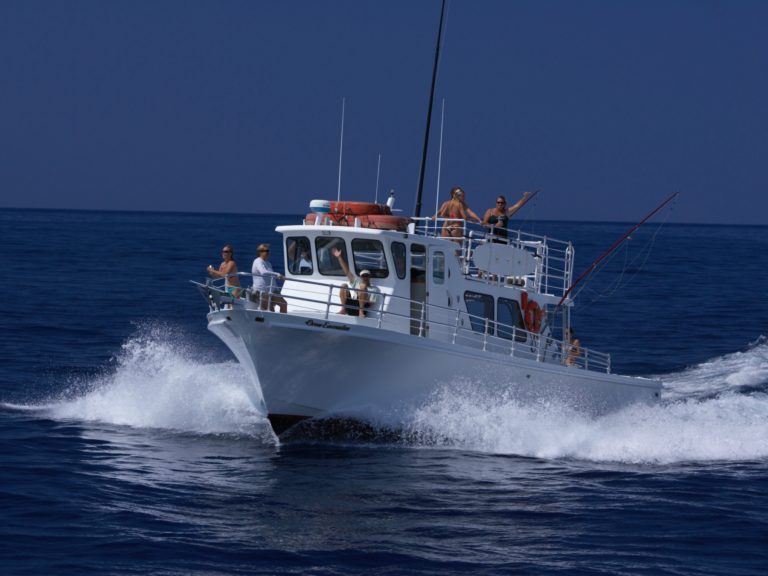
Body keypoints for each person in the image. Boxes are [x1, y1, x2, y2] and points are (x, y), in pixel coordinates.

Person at [331, 247, 377, 317]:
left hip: (363, 308)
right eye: (363, 276)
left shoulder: (374, 289)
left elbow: (371, 303)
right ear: (361, 277)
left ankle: (360, 312)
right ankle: (343, 309)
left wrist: (362, 295)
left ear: (369, 277)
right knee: (344, 285)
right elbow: (347, 272)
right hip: (352, 305)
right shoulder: (357, 283)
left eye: (366, 275)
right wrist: (339, 257)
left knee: (362, 287)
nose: (365, 277)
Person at [251, 243, 287, 313]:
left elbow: (271, 277)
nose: (268, 252)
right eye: (265, 251)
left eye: (268, 251)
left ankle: (282, 321)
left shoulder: (268, 263)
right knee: (270, 310)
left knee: (284, 304)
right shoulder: (258, 261)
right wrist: (278, 274)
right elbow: (263, 272)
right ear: (260, 252)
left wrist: (277, 289)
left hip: (272, 291)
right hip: (262, 292)